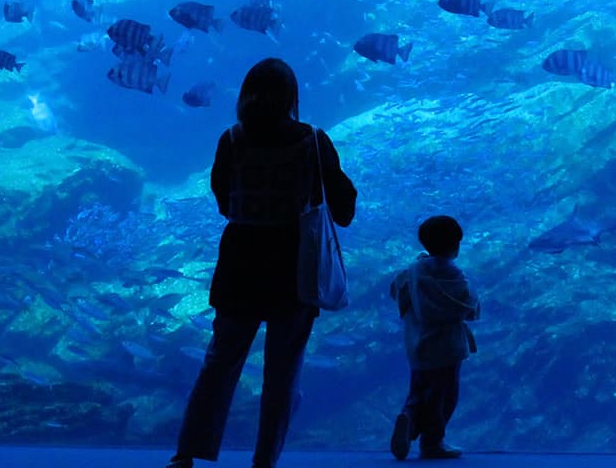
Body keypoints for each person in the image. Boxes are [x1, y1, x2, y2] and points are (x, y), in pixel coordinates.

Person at [166, 58, 357, 468]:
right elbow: (343, 208)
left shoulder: (232, 139)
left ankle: (185, 454)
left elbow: (223, 201)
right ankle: (264, 461)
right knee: (283, 371)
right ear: (292, 97)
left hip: (240, 263)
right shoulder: (313, 140)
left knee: (220, 362)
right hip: (295, 266)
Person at [389, 214, 481, 461]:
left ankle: (408, 419)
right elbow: (469, 306)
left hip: (418, 345)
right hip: (446, 348)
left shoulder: (413, 271)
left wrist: (416, 265)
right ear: (455, 245)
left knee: (419, 390)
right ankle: (432, 442)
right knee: (444, 396)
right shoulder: (454, 275)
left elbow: (396, 289)